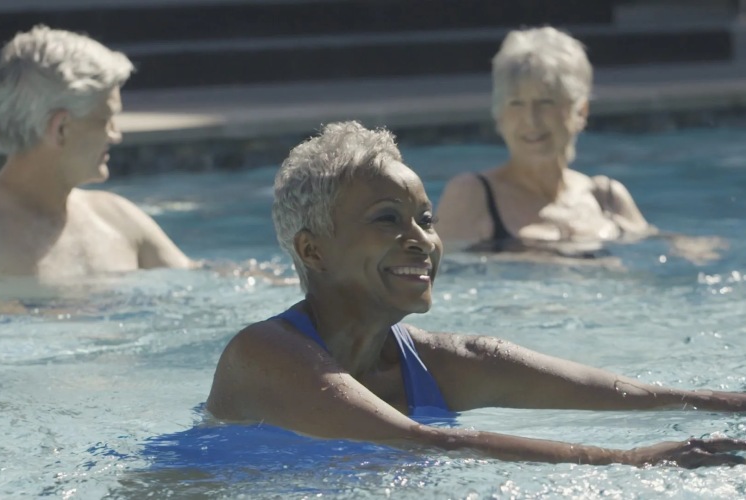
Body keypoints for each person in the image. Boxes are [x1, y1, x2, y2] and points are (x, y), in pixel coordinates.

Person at [206, 121, 746, 468]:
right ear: (313, 250)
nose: (422, 240)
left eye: (425, 218)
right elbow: (427, 441)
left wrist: (724, 404)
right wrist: (629, 461)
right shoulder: (263, 356)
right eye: (387, 220)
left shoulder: (427, 361)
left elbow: (637, 394)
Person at [435, 27, 724, 263]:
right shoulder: (473, 195)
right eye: (516, 104)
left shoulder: (607, 198)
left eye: (546, 102)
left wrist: (685, 246)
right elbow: (437, 275)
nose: (530, 120)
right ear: (498, 115)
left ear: (580, 112)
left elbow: (651, 241)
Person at [0, 25, 195, 284]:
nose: (115, 135)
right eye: (105, 120)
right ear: (61, 129)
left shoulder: (117, 218)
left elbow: (204, 284)